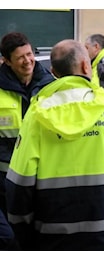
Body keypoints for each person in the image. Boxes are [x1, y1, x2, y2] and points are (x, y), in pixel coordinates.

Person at [5, 39, 104, 250]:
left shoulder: (36, 115)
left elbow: (20, 184)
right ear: (86, 66)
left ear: (53, 72)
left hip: (51, 236)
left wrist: (25, 236)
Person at [0, 32, 55, 216]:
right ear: (6, 61)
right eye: (20, 57)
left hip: (44, 177)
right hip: (5, 181)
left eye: (29, 54)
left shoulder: (51, 86)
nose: (27, 61)